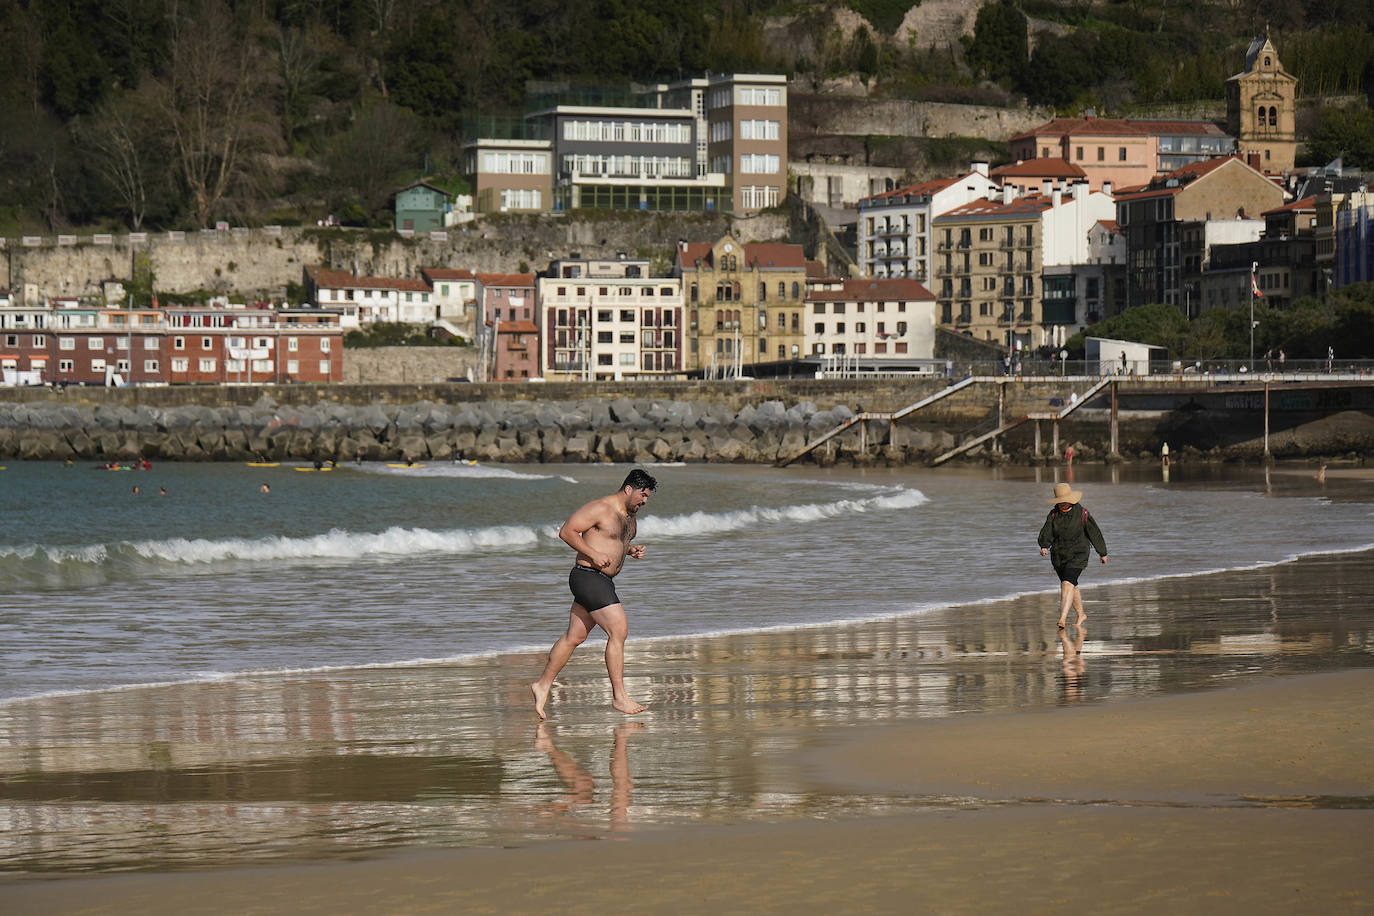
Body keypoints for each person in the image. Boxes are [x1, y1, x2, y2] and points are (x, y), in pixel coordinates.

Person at [532, 469, 657, 719]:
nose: (644, 501)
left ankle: (542, 685)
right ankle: (619, 696)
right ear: (628, 489)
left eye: (648, 497)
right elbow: (567, 531)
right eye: (642, 495)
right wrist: (593, 554)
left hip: (603, 581)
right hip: (587, 577)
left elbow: (614, 541)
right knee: (618, 630)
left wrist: (630, 551)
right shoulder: (599, 508)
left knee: (574, 637)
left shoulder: (630, 516)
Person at [1038, 482, 1109, 629]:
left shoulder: (1082, 513)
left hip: (1079, 553)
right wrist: (1044, 545)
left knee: (1066, 584)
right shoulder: (1053, 514)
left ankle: (1062, 618)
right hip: (1059, 555)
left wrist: (1102, 552)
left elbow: (1094, 532)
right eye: (1060, 501)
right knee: (1072, 585)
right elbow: (1046, 532)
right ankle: (1081, 614)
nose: (1062, 504)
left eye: (1064, 501)